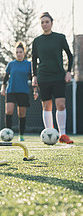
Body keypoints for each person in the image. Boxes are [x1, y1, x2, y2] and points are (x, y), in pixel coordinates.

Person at [31, 12, 74, 144]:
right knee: (46, 106)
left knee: (60, 104)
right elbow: (33, 60)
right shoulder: (37, 41)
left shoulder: (60, 38)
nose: (45, 24)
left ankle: (63, 134)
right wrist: (34, 76)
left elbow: (70, 55)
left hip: (58, 76)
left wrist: (68, 72)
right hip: (43, 77)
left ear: (51, 23)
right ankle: (50, 132)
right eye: (42, 22)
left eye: (47, 22)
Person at [0, 42, 32, 141]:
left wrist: (35, 90)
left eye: (20, 52)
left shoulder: (28, 64)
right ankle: (8, 134)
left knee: (21, 114)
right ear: (15, 53)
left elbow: (32, 78)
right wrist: (3, 87)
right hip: (11, 91)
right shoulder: (11, 64)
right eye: (17, 52)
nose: (19, 54)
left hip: (23, 92)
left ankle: (21, 135)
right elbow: (6, 77)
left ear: (24, 53)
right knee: (8, 111)